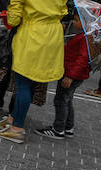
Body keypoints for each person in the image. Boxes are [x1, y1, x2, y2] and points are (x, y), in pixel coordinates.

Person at [0, 0, 68, 144]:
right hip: (52, 36)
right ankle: (12, 119)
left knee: (23, 84)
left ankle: (17, 128)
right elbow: (62, 11)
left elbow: (14, 19)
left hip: (30, 36)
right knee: (31, 83)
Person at [34, 12, 90, 140]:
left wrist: (70, 76)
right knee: (67, 100)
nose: (74, 23)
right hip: (73, 73)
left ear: (85, 23)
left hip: (71, 74)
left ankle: (58, 129)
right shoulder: (83, 36)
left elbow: (82, 59)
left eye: (76, 20)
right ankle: (68, 127)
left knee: (60, 100)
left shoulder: (85, 38)